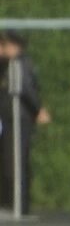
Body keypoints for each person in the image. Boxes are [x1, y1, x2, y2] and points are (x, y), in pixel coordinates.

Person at [0, 30, 51, 215]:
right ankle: (10, 203)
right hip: (9, 119)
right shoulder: (8, 64)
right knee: (8, 161)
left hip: (19, 119)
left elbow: (26, 89)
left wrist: (38, 110)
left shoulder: (20, 64)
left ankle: (19, 205)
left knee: (17, 161)